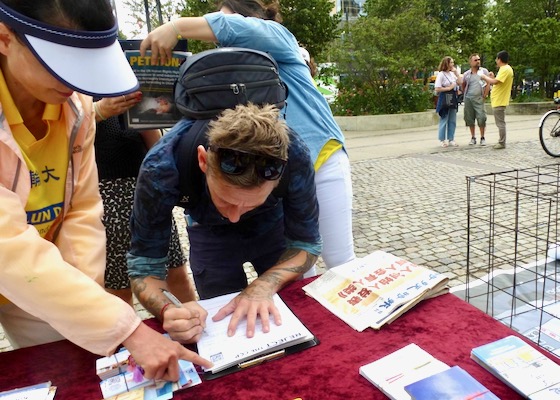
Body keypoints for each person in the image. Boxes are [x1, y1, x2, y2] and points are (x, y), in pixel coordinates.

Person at [0, 0, 210, 380]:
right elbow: (7, 244)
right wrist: (128, 328)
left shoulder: (75, 109)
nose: (77, 84)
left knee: (69, 368)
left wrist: (95, 308)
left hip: (42, 272)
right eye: (64, 66)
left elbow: (81, 212)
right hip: (17, 259)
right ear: (4, 37)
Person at [139, 0, 355, 274]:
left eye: (222, 20)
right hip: (274, 174)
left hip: (319, 159)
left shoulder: (281, 39)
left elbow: (236, 29)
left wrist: (177, 26)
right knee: (297, 266)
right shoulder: (227, 69)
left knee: (340, 260)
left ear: (251, 19)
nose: (215, 30)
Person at [127, 103, 322, 341]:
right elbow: (144, 267)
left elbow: (306, 244)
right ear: (203, 160)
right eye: (225, 200)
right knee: (221, 322)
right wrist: (169, 310)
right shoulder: (161, 168)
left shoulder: (296, 156)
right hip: (208, 232)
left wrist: (263, 286)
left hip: (272, 227)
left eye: (251, 204)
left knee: (288, 308)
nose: (233, 217)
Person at [93, 94, 196, 306]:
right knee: (118, 288)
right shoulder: (75, 91)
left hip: (147, 192)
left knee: (176, 274)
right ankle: (131, 337)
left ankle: (192, 329)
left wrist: (149, 117)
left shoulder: (126, 84)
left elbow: (157, 147)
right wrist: (99, 111)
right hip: (103, 196)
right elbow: (66, 129)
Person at [479, 51, 514, 150]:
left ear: (499, 59)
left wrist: (485, 77)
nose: (496, 61)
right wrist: (492, 77)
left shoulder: (505, 69)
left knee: (500, 123)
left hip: (500, 100)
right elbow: (497, 82)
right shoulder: (506, 69)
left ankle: (502, 142)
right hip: (499, 99)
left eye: (496, 59)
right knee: (500, 122)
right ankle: (501, 141)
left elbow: (495, 82)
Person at [462, 54, 491, 146]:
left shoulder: (484, 71)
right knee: (469, 118)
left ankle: (482, 137)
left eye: (479, 59)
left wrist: (484, 96)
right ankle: (473, 137)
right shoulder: (467, 74)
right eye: (475, 60)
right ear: (470, 62)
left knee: (481, 118)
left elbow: (488, 84)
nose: (478, 61)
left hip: (479, 98)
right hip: (469, 98)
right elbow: (463, 84)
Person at [434, 56, 463, 147]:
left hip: (453, 97)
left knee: (452, 119)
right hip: (445, 97)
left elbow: (460, 82)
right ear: (446, 63)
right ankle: (442, 139)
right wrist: (449, 88)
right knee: (444, 118)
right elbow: (437, 88)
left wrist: (457, 73)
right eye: (451, 63)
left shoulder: (452, 74)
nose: (452, 64)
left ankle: (451, 138)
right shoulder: (441, 74)